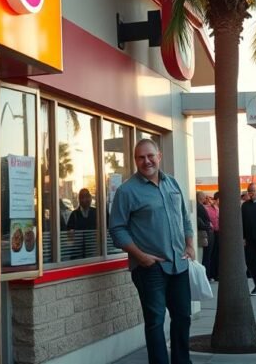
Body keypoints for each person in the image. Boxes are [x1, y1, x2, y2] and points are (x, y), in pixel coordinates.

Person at [109, 139, 194, 364]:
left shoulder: (172, 184)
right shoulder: (127, 191)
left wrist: (190, 245)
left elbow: (185, 218)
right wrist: (141, 256)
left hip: (179, 264)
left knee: (183, 317)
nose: (146, 161)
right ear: (135, 160)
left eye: (150, 156)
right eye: (140, 157)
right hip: (150, 269)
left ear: (159, 156)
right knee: (155, 321)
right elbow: (117, 229)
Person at [65, 188, 97, 259]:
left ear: (91, 198)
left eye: (87, 196)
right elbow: (69, 234)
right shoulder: (74, 215)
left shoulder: (96, 213)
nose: (85, 199)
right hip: (78, 254)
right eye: (82, 197)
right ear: (79, 199)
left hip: (93, 253)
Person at [195, 192, 214, 275]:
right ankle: (207, 274)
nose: (206, 199)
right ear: (201, 198)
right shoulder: (199, 207)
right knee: (206, 255)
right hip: (205, 233)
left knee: (206, 255)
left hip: (204, 232)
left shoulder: (199, 206)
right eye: (204, 197)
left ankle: (207, 274)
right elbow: (200, 221)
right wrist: (208, 225)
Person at [205, 193, 220, 281]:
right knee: (213, 254)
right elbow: (212, 221)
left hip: (218, 233)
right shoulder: (209, 209)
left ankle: (216, 274)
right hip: (213, 232)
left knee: (217, 254)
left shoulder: (217, 208)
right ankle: (212, 274)